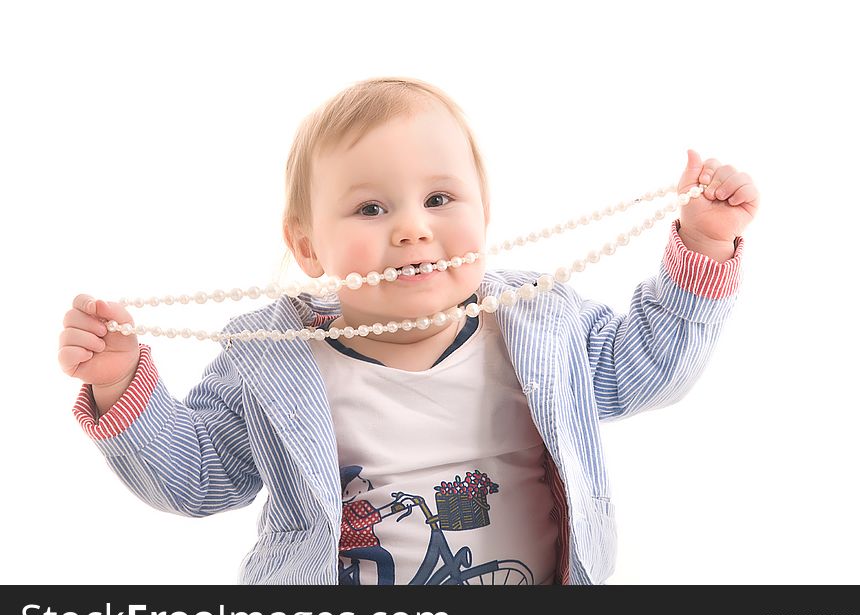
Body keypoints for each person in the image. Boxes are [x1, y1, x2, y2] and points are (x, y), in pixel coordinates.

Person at [58, 76, 759, 584]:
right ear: (307, 247)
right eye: (369, 207)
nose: (412, 227)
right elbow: (200, 477)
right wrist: (120, 382)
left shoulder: (540, 321)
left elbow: (649, 366)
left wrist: (703, 247)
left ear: (484, 213)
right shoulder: (271, 360)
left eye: (439, 198)